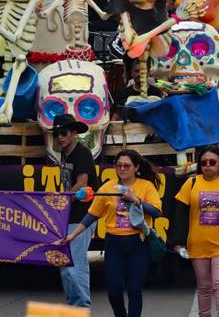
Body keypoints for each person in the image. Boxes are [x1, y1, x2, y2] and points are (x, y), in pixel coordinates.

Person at [62, 149, 162, 317]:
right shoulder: (108, 187)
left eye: (126, 166)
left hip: (138, 243)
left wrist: (136, 201)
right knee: (114, 292)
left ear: (136, 167)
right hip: (114, 244)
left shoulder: (146, 186)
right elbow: (91, 215)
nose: (122, 169)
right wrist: (73, 235)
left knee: (134, 289)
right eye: (119, 165)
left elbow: (157, 211)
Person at [173, 147, 219, 317]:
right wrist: (177, 242)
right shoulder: (191, 183)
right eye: (203, 163)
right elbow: (180, 215)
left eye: (212, 162)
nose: (207, 166)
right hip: (197, 243)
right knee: (204, 286)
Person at [53, 113, 99, 308]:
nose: (60, 138)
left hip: (82, 217)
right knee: (64, 265)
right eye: (57, 134)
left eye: (63, 133)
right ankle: (74, 307)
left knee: (75, 265)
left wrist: (61, 199)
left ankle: (82, 308)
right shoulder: (65, 153)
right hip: (68, 215)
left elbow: (82, 183)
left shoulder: (82, 153)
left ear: (74, 133)